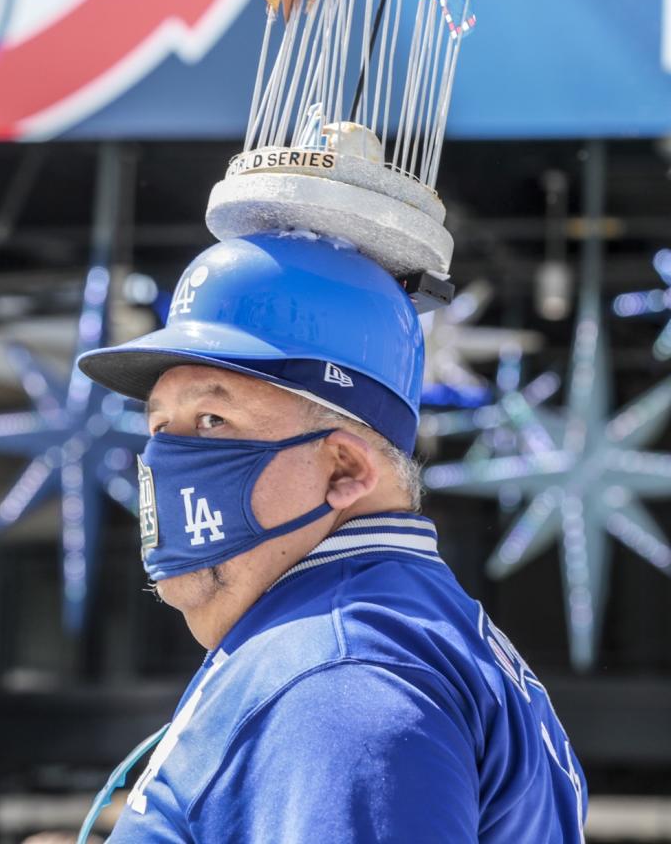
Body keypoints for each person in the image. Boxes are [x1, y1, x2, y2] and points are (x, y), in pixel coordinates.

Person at [79, 232, 587, 843]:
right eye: (160, 426)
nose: (165, 456)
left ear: (345, 469)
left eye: (213, 420)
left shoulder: (339, 679)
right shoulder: (390, 629)